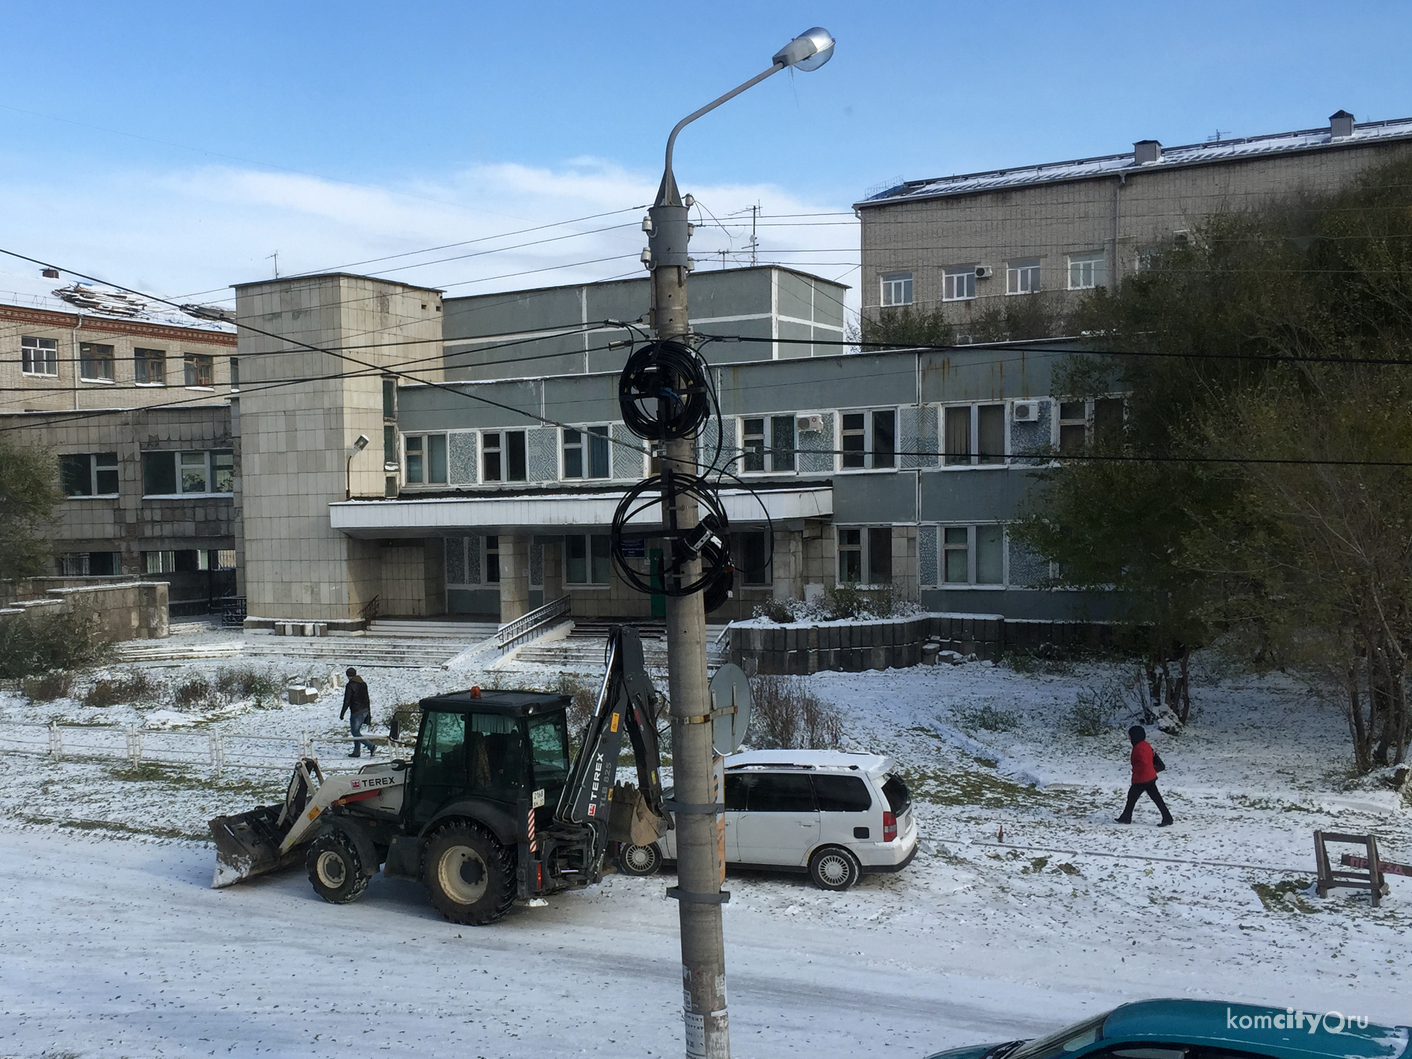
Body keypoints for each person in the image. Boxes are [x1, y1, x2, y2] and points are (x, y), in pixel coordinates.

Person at [1115, 724, 1172, 826]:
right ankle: (1167, 817)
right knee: (1154, 798)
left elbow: (1143, 762)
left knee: (1132, 797)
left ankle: (1126, 817)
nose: (1129, 737)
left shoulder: (1138, 748)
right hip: (1149, 776)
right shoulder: (1145, 744)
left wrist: (1138, 771)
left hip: (1142, 779)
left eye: (1130, 735)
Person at [340, 667, 375, 758]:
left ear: (348, 675)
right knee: (357, 732)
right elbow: (367, 699)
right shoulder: (363, 684)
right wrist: (369, 712)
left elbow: (347, 700)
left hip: (356, 711)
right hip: (364, 710)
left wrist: (342, 712)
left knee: (355, 733)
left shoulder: (350, 685)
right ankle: (356, 751)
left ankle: (371, 746)